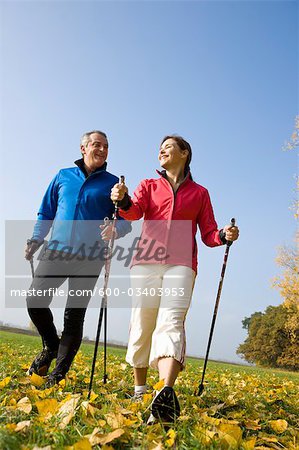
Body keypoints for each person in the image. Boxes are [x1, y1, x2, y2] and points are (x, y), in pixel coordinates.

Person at [111, 135, 239, 423]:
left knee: (171, 321)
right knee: (143, 323)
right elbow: (133, 213)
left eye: (168, 146)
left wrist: (223, 235)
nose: (162, 150)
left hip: (181, 265)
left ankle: (165, 392)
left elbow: (208, 234)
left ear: (184, 153)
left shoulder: (200, 193)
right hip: (145, 261)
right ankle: (140, 389)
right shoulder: (149, 185)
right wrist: (123, 199)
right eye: (160, 148)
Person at [25, 130, 131, 387]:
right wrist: (36, 239)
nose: (102, 149)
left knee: (74, 315)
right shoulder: (63, 176)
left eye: (106, 146)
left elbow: (127, 219)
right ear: (83, 148)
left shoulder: (112, 184)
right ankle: (51, 345)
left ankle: (58, 374)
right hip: (56, 250)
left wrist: (116, 229)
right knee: (34, 300)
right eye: (97, 144)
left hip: (90, 256)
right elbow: (46, 211)